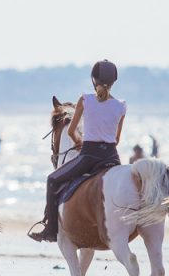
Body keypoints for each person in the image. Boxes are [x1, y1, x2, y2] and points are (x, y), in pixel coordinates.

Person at [29, 60, 126, 243]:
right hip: (112, 158)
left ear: (93, 79)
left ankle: (50, 230)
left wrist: (79, 142)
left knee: (52, 180)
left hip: (89, 157)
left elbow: (72, 131)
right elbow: (117, 140)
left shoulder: (85, 100)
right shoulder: (121, 105)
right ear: (114, 82)